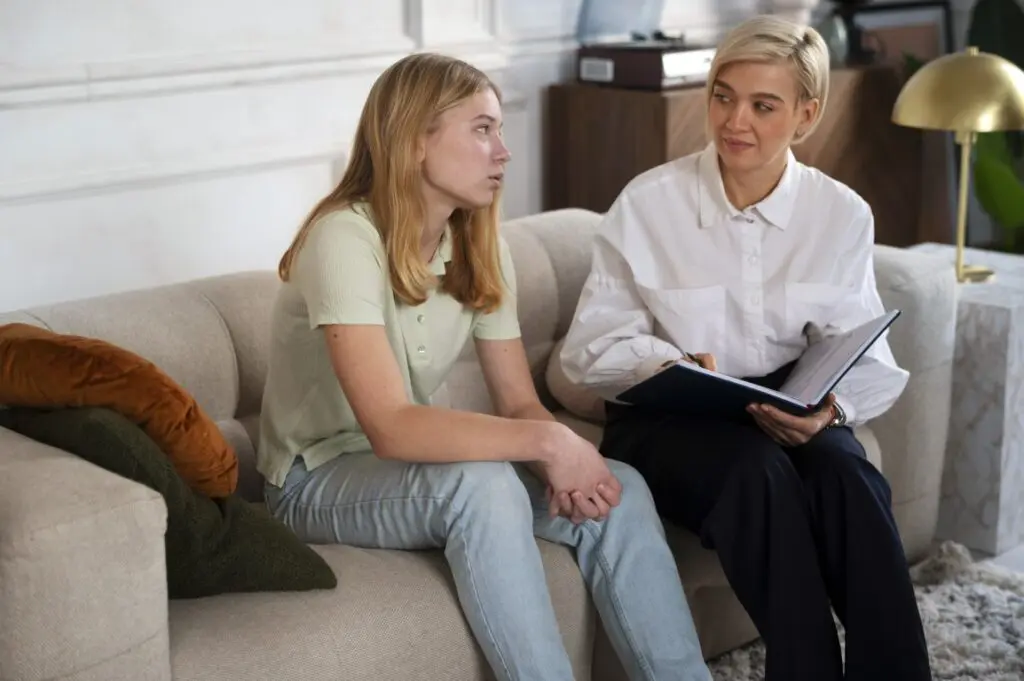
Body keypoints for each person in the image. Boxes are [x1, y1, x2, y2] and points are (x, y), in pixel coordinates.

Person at [256, 52, 713, 681]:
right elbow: (390, 425)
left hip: (411, 467)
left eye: (500, 130)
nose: (503, 151)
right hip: (314, 482)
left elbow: (519, 403)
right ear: (416, 141)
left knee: (621, 489)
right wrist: (548, 440)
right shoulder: (344, 239)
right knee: (484, 485)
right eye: (482, 129)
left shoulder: (479, 243)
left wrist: (566, 455)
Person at [558, 15, 932, 681]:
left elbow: (863, 349)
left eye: (764, 106)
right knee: (755, 472)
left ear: (806, 115)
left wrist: (830, 412)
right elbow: (587, 350)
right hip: (667, 416)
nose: (735, 121)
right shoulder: (647, 205)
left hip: (783, 399)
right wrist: (664, 360)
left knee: (849, 476)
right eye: (723, 96)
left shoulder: (840, 213)